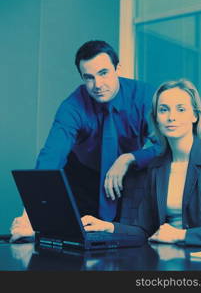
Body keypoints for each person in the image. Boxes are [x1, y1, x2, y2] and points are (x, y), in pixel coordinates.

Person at [10, 40, 159, 242]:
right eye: (89, 77)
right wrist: (29, 215)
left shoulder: (143, 96)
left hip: (127, 175)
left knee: (124, 238)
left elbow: (164, 146)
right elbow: (51, 157)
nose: (97, 85)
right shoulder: (72, 106)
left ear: (118, 69)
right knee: (75, 241)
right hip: (83, 176)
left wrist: (129, 158)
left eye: (104, 73)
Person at [82, 78, 201, 247]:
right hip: (168, 260)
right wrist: (107, 226)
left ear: (194, 116)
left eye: (181, 109)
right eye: (164, 110)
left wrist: (180, 235)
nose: (171, 117)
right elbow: (144, 230)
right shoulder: (156, 166)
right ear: (156, 119)